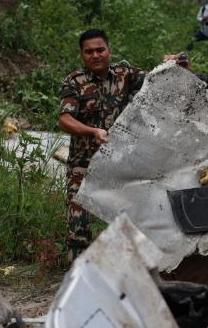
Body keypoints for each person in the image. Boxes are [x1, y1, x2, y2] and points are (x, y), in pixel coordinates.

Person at [58, 29, 144, 260]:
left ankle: (124, 274)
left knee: (128, 222)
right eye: (89, 52)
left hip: (119, 164)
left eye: (100, 50)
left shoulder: (125, 74)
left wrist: (174, 63)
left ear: (109, 51)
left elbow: (157, 80)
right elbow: (65, 119)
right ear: (82, 55)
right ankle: (78, 279)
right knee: (78, 228)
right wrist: (92, 131)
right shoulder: (74, 82)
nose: (96, 55)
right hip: (83, 166)